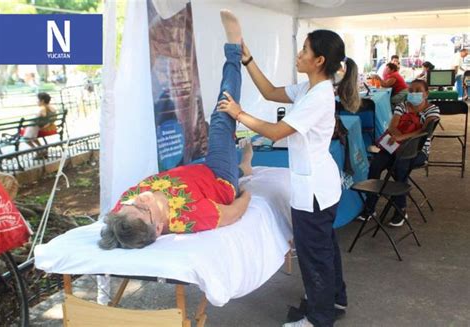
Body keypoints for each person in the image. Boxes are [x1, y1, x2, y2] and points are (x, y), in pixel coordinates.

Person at [216, 10, 360, 327]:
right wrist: (248, 59)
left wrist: (239, 114)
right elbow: (269, 92)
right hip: (320, 186)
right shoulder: (307, 89)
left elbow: (277, 132)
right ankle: (334, 299)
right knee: (326, 249)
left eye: (304, 50)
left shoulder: (319, 97)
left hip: (313, 193)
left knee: (314, 256)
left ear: (319, 60)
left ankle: (319, 318)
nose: (299, 55)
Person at [98, 20, 254, 250]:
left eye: (131, 203)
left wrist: (134, 208)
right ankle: (234, 51)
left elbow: (113, 232)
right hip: (218, 176)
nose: (139, 199)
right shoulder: (191, 217)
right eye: (143, 208)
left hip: (193, 172)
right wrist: (245, 195)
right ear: (159, 228)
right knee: (222, 116)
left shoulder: (122, 218)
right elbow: (233, 213)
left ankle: (244, 168)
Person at [357, 79, 440, 226]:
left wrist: (401, 137)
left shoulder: (432, 109)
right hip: (393, 147)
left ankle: (400, 209)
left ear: (426, 94)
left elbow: (425, 131)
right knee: (375, 165)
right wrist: (397, 137)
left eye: (418, 90)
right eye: (411, 90)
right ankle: (370, 207)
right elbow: (392, 126)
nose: (413, 93)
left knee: (400, 166)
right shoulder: (402, 106)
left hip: (417, 151)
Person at [22, 92, 57, 157]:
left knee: (26, 139)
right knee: (33, 137)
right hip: (43, 126)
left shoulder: (42, 109)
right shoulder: (52, 108)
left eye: (37, 100)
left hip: (35, 127)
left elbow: (38, 118)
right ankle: (42, 150)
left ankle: (38, 152)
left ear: (42, 101)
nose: (36, 102)